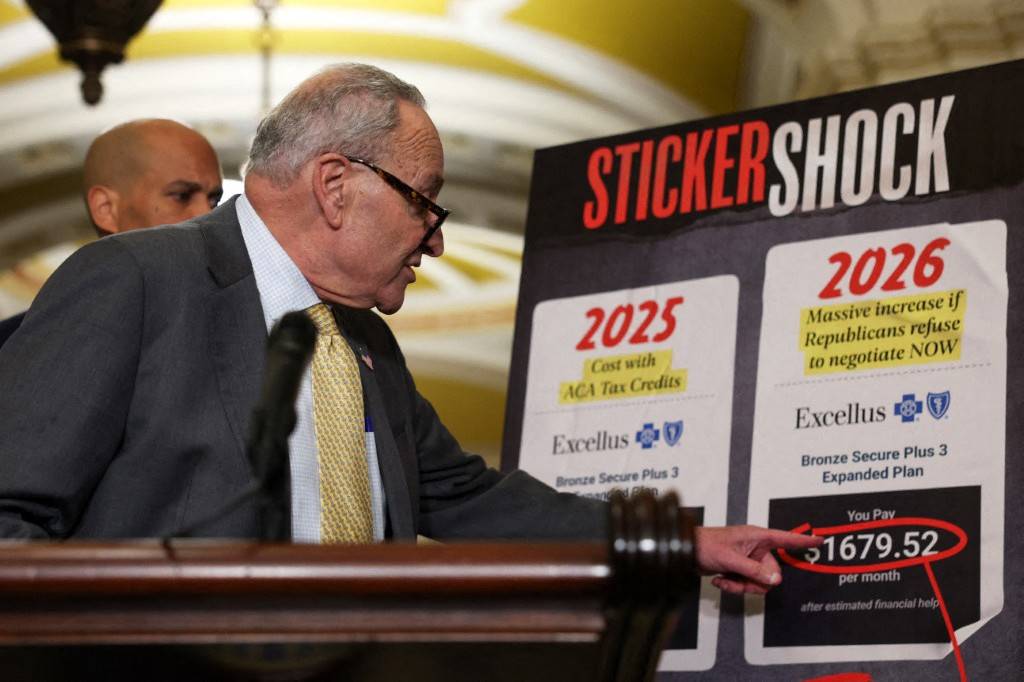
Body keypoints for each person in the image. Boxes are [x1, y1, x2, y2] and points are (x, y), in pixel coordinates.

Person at [0, 64, 817, 595]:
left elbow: (469, 500)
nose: (437, 239)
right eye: (425, 200)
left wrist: (681, 541)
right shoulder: (137, 282)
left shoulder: (364, 342)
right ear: (335, 186)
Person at [0, 119, 223, 347]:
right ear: (106, 209)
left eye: (214, 200)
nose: (209, 216)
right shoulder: (15, 349)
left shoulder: (238, 333)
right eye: (181, 196)